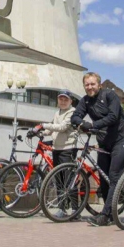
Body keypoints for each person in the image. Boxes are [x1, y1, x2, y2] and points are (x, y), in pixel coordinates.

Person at [71, 72, 124, 227]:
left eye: (92, 84)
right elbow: (75, 116)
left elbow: (113, 117)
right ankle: (110, 214)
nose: (90, 87)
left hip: (120, 140)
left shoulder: (110, 95)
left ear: (99, 85)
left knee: (113, 175)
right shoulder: (85, 101)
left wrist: (92, 125)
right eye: (87, 85)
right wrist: (82, 123)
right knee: (104, 180)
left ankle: (104, 215)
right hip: (104, 143)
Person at [33, 90, 79, 219]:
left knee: (69, 180)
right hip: (57, 149)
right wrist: (40, 133)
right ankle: (62, 208)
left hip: (68, 148)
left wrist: (42, 125)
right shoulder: (57, 112)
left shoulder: (72, 112)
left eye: (66, 99)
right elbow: (51, 129)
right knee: (58, 179)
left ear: (71, 101)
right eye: (61, 99)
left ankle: (76, 209)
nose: (63, 101)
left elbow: (62, 127)